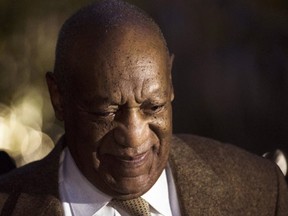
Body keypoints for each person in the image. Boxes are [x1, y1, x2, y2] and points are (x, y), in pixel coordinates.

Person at [0, 0, 287, 215]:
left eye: (153, 107)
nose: (135, 136)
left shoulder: (260, 190)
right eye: (106, 112)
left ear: (170, 83)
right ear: (59, 97)